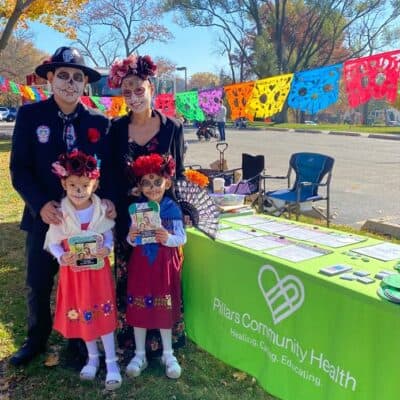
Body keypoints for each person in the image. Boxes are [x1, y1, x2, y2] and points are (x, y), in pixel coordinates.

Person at [9, 46, 115, 366]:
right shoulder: (30, 117)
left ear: (85, 83)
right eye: (64, 76)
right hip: (45, 216)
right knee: (38, 282)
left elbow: (108, 168)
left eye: (77, 77)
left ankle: (79, 342)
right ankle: (36, 339)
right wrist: (40, 204)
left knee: (82, 281)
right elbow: (20, 169)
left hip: (85, 221)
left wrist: (107, 199)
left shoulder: (99, 120)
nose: (70, 83)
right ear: (50, 78)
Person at [108, 55, 186, 357]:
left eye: (138, 89)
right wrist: (114, 207)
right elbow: (112, 176)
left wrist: (177, 215)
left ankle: (166, 339)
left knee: (161, 276)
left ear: (151, 88)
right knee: (134, 279)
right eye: (126, 91)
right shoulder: (115, 129)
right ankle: (134, 341)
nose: (133, 97)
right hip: (128, 219)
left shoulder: (172, 128)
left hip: (163, 217)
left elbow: (177, 174)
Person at [44, 150, 121, 390]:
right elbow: (53, 241)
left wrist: (106, 247)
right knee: (84, 311)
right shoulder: (62, 214)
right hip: (75, 275)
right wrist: (61, 257)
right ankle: (93, 358)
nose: (79, 190)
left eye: (85, 185)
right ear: (64, 183)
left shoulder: (100, 211)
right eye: (73, 185)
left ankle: (111, 361)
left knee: (103, 311)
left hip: (97, 273)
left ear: (95, 185)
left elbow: (108, 234)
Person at [125, 153, 186, 379]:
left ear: (167, 183)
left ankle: (168, 353)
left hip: (164, 266)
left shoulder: (172, 209)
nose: (152, 188)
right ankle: (139, 354)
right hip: (141, 264)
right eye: (146, 184)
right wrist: (131, 236)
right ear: (140, 186)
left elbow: (182, 238)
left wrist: (167, 237)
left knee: (163, 308)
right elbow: (133, 239)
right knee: (140, 306)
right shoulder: (138, 210)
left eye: (157, 182)